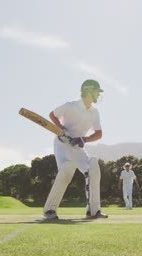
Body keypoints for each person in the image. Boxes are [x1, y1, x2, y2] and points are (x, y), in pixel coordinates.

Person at [43, 79, 108, 220]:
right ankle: (49, 210)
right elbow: (52, 115)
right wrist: (60, 128)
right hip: (62, 144)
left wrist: (84, 139)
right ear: (89, 91)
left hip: (78, 147)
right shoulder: (70, 106)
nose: (98, 94)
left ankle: (93, 210)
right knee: (66, 171)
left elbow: (99, 134)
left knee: (93, 169)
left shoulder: (94, 112)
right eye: (97, 91)